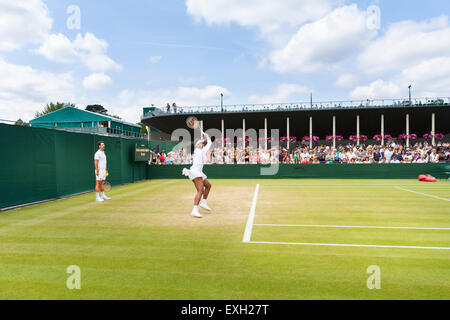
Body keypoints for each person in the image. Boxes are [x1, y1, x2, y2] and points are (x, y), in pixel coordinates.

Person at [182, 134, 213, 218]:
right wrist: (207, 136)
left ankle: (204, 203)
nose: (203, 144)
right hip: (196, 173)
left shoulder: (199, 150)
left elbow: (208, 143)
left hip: (199, 172)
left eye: (203, 143)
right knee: (200, 191)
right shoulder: (199, 150)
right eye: (201, 143)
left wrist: (206, 137)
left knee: (208, 185)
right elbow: (209, 143)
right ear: (197, 145)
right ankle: (194, 210)